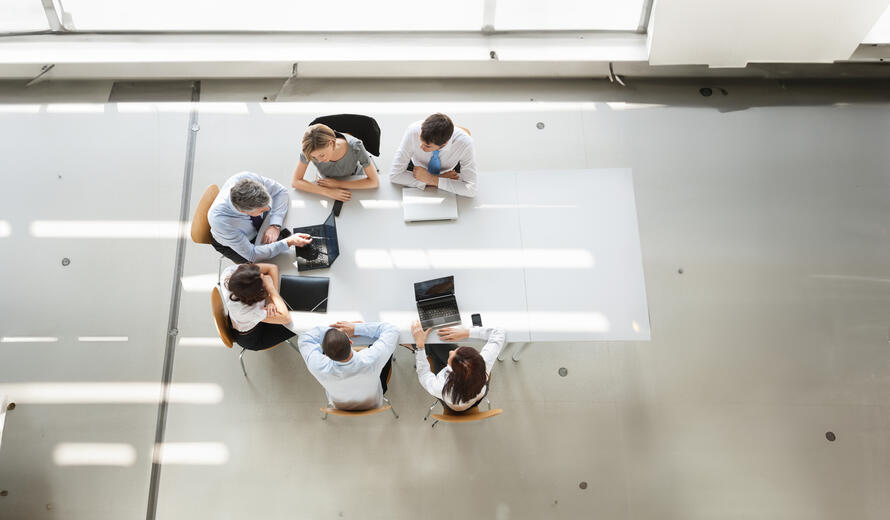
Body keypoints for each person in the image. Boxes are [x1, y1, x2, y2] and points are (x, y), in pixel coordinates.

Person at [209, 172, 311, 263]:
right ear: (244, 212)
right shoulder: (221, 222)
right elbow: (252, 254)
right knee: (278, 263)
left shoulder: (246, 178)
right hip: (240, 243)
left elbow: (280, 191)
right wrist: (288, 242)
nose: (268, 209)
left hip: (251, 223)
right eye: (262, 210)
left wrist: (275, 225)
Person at [297, 321, 398, 411]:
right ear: (350, 342)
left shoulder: (318, 366)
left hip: (339, 406)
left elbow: (304, 338)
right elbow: (391, 330)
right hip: (373, 401)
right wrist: (355, 328)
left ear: (325, 354)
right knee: (385, 354)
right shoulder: (370, 360)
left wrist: (333, 331)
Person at [407, 321, 505, 412]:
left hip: (453, 406)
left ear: (451, 375)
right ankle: (422, 348)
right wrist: (466, 333)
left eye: (450, 358)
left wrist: (420, 346)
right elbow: (499, 332)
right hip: (474, 391)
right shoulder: (484, 361)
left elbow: (424, 374)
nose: (450, 352)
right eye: (456, 351)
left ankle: (415, 346)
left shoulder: (441, 386)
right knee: (436, 345)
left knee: (433, 348)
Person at [389, 113, 477, 198]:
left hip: (449, 170)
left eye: (427, 146)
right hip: (417, 169)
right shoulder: (413, 131)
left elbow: (471, 189)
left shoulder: (465, 143)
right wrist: (440, 179)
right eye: (420, 140)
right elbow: (394, 176)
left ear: (444, 144)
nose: (421, 147)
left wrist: (432, 179)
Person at [291, 123, 380, 202]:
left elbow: (374, 182)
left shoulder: (355, 146)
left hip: (355, 179)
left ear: (331, 143)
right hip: (327, 183)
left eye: (322, 155)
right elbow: (296, 181)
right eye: (314, 157)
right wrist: (327, 192)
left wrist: (338, 184)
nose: (319, 161)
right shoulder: (309, 150)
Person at [219, 262, 295, 350]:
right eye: (262, 283)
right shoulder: (248, 311)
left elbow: (272, 268)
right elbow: (286, 319)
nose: (263, 276)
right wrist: (271, 289)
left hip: (247, 320)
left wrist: (271, 300)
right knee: (299, 322)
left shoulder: (229, 273)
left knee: (288, 296)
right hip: (254, 337)